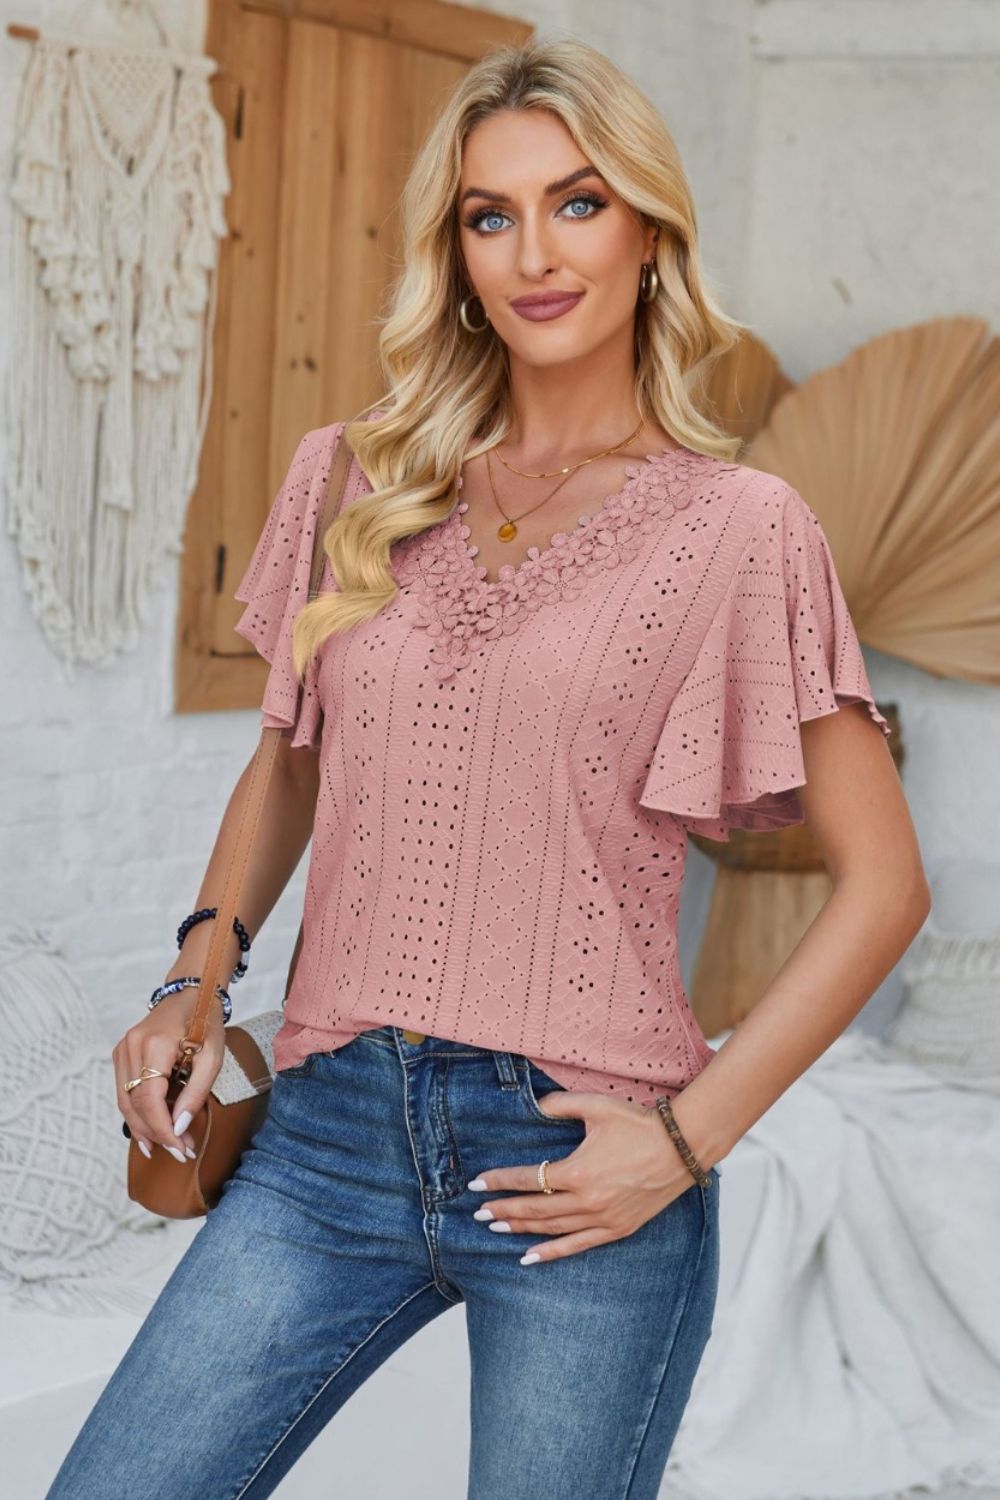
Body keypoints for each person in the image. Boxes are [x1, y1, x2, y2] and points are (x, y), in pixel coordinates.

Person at [45, 34, 930, 1500]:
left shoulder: (740, 527)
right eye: (489, 214)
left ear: (650, 233)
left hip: (581, 1153)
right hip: (331, 1128)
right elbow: (289, 757)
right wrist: (194, 980)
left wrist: (688, 1141)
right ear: (453, 255)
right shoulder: (355, 477)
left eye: (579, 203)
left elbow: (885, 884)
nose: (535, 251)